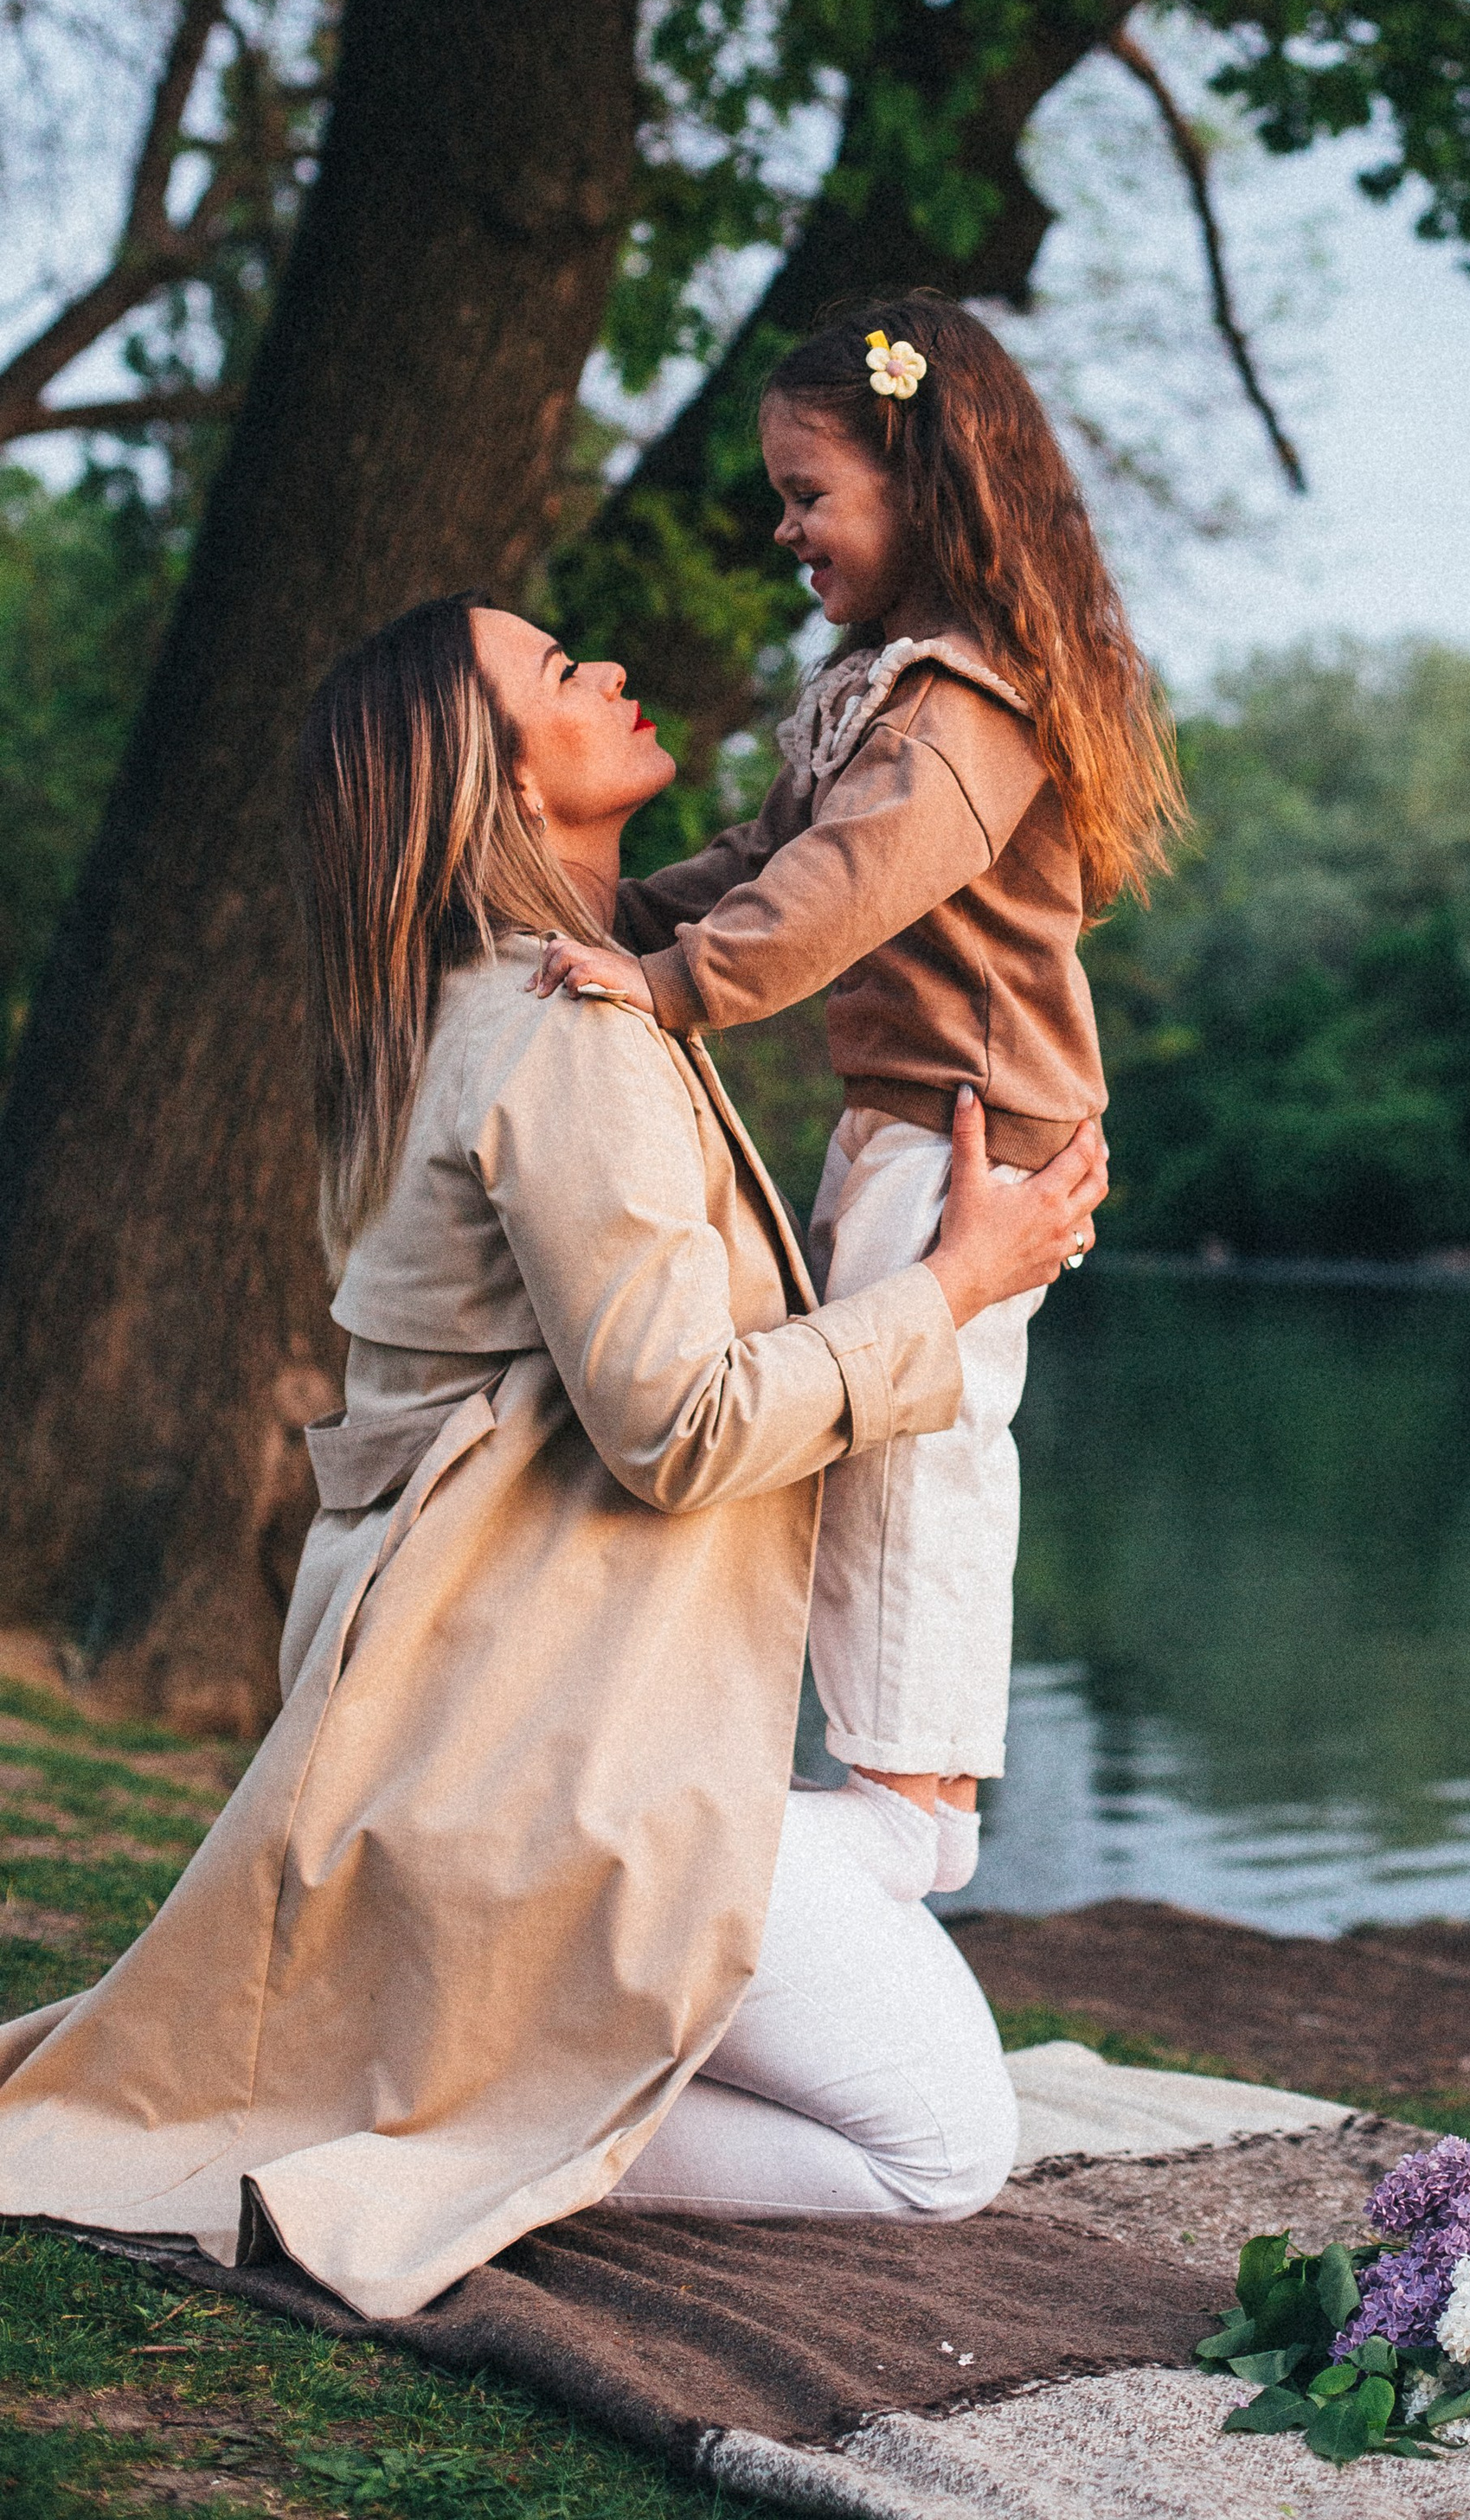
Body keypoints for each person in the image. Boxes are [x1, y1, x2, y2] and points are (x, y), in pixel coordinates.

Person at [0, 593, 1106, 2319]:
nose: (606, 666)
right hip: (546, 1779)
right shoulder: (561, 1031)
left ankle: (530, 2029)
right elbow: (678, 1431)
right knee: (943, 2150)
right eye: (554, 674)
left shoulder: (448, 1015)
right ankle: (449, 2127)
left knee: (896, 1896)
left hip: (442, 1752)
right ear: (498, 791)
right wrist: (962, 1284)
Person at [531, 298, 1181, 1894]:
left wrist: (674, 988)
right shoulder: (877, 688)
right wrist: (607, 920)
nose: (783, 527)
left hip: (975, 1123)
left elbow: (847, 887)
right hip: (907, 1111)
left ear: (924, 481)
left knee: (917, 1444)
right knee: (869, 1416)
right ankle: (882, 1783)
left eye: (810, 493)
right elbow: (765, 862)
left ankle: (912, 1809)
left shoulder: (970, 703)